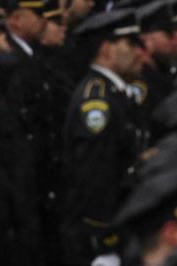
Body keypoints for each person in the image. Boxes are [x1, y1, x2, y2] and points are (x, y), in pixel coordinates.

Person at [61, 15, 147, 266]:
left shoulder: (117, 94)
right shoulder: (98, 102)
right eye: (130, 45)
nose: (139, 52)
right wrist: (104, 238)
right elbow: (95, 178)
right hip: (101, 236)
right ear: (106, 49)